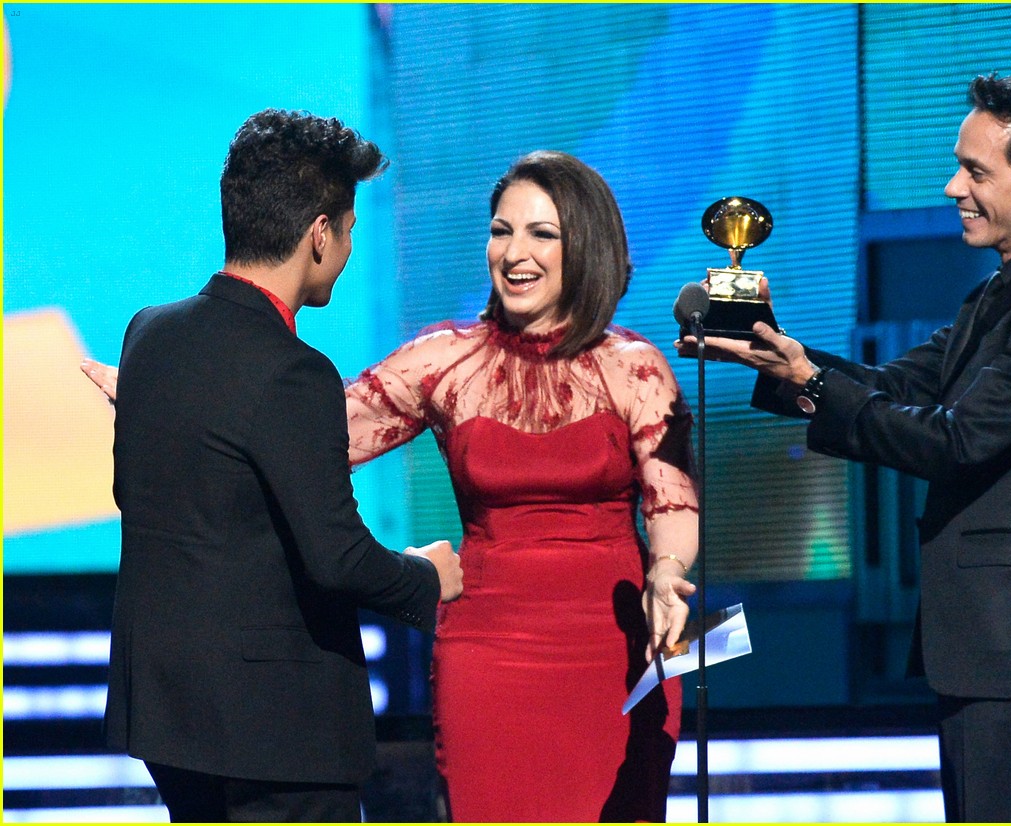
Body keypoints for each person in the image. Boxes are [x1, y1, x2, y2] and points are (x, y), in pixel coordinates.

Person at [87, 149, 699, 822]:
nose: (513, 252)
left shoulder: (636, 369)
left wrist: (668, 572)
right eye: (501, 231)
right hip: (489, 655)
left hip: (616, 649)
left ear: (588, 244)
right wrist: (175, 400)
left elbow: (671, 498)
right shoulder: (446, 360)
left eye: (540, 233)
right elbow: (303, 438)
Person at [680, 73, 1011, 822]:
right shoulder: (1003, 292)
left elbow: (954, 439)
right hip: (982, 645)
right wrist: (770, 351)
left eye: (976, 171)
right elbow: (895, 382)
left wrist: (812, 381)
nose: (954, 186)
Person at [96, 108, 463, 822]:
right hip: (275, 732)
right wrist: (427, 576)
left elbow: (133, 496)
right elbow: (338, 557)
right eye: (351, 230)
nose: (350, 248)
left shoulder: (148, 333)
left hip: (169, 716)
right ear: (319, 234)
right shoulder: (294, 371)